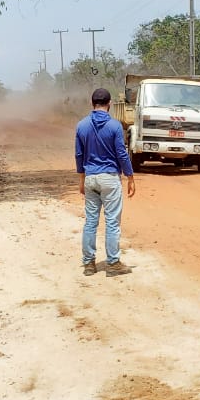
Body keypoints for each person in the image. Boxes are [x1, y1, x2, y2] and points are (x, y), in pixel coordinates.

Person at [75, 88, 136, 276]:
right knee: (112, 222)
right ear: (109, 104)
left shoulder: (82, 125)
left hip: (90, 178)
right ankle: (113, 263)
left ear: (92, 103)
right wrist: (130, 176)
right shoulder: (115, 126)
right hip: (109, 178)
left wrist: (82, 179)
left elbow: (79, 154)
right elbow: (121, 154)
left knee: (90, 222)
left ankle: (88, 264)